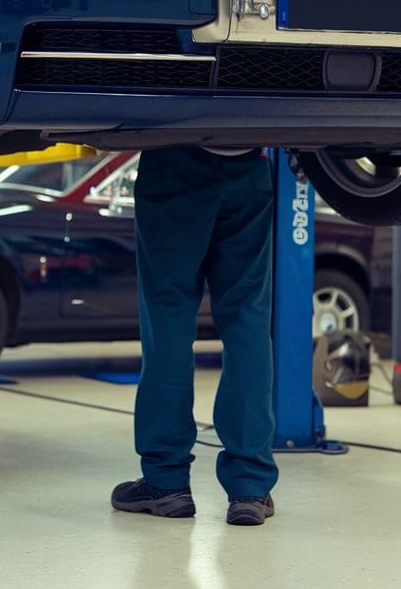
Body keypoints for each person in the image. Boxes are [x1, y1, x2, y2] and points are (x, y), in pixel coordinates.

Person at [111, 145, 278, 527]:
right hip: (248, 161)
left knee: (168, 318)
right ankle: (249, 488)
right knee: (247, 320)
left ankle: (166, 481)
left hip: (174, 160)